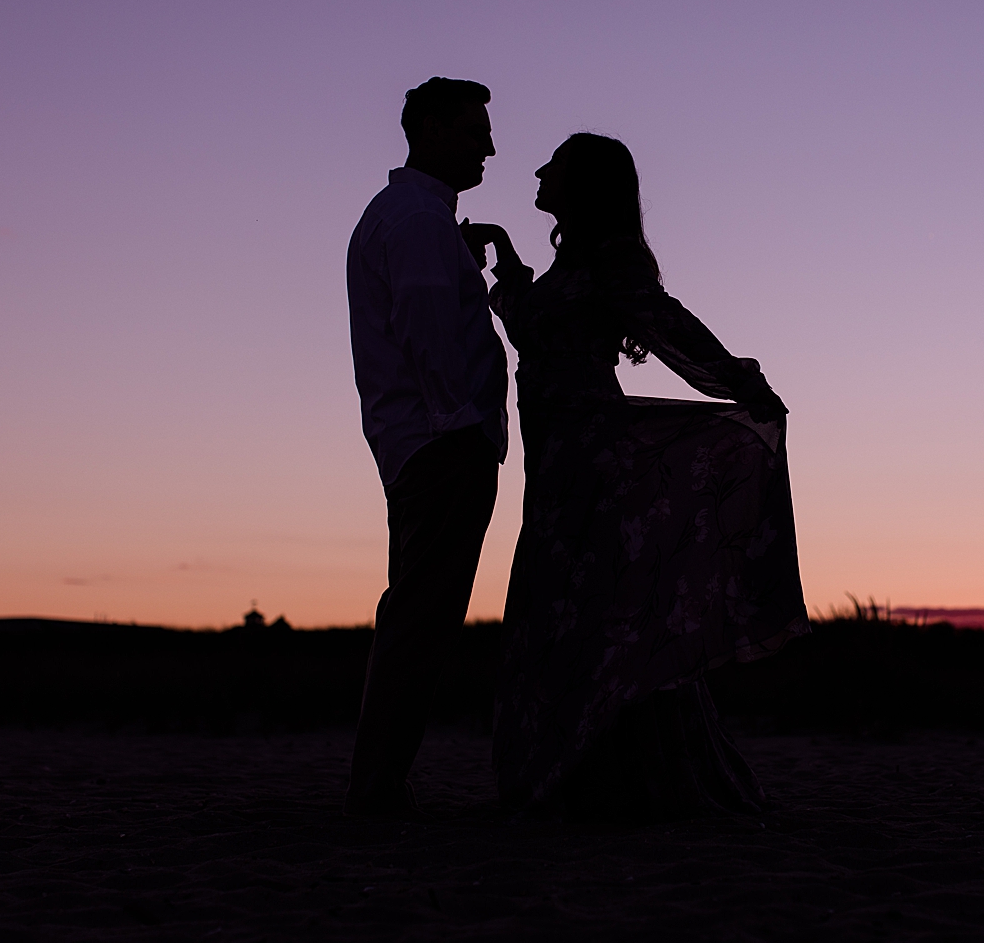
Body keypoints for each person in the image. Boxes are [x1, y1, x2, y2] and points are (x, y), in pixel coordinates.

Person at [463, 133, 809, 819]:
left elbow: (668, 324)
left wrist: (740, 382)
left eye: (555, 165)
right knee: (566, 606)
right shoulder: (572, 265)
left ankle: (617, 780)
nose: (538, 170)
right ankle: (573, 775)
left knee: (601, 609)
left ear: (584, 185)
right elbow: (536, 330)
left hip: (595, 457)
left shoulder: (614, 259)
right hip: (558, 462)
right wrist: (506, 266)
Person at [343, 77, 507, 816]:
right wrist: (461, 425)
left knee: (419, 614)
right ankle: (377, 787)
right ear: (433, 128)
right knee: (421, 619)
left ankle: (381, 781)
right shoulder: (413, 219)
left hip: (429, 444)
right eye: (476, 131)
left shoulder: (416, 218)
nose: (490, 147)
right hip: (441, 445)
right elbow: (427, 325)